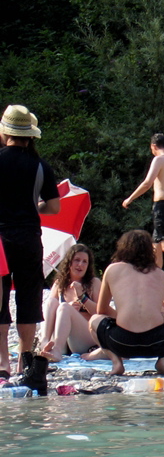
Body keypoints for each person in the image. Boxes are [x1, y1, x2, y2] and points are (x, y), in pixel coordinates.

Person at [0, 104, 60, 382]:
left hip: (1, 239)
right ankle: (25, 361)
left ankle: (3, 363)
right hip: (28, 238)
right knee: (27, 297)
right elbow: (54, 208)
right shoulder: (40, 166)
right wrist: (33, 205)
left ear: (5, 132)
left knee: (0, 300)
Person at [86, 230, 164, 375]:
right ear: (149, 251)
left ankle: (117, 363)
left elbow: (101, 311)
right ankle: (163, 361)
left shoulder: (112, 270)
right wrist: (163, 316)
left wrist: (124, 318)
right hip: (156, 343)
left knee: (94, 320)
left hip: (122, 343)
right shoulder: (161, 275)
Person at [123, 133, 164, 268]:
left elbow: (147, 183)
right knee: (156, 244)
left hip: (162, 206)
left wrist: (130, 198)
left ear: (153, 146)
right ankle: (156, 274)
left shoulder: (159, 160)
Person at [41, 244, 102, 361]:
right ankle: (44, 341)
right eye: (77, 260)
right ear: (69, 262)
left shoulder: (94, 283)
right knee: (51, 302)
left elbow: (101, 314)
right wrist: (66, 309)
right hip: (63, 339)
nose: (80, 265)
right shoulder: (60, 284)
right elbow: (49, 311)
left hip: (85, 338)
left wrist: (83, 300)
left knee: (64, 307)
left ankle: (57, 350)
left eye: (85, 262)